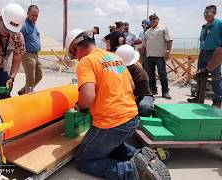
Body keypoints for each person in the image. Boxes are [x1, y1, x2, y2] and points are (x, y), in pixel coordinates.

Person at [65, 29, 170, 180]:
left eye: (74, 55)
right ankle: (142, 157)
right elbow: (132, 85)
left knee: (84, 160)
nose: (76, 58)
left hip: (111, 124)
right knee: (109, 148)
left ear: (77, 48)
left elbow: (87, 98)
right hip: (132, 119)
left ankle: (133, 171)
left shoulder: (86, 62)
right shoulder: (115, 58)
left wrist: (81, 107)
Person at [187, 5, 222, 108]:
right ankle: (199, 96)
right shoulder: (204, 26)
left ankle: (218, 99)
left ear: (214, 13)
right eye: (204, 13)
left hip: (214, 53)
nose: (205, 15)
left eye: (208, 13)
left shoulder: (219, 24)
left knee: (216, 76)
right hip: (203, 52)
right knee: (200, 75)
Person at [116, 45, 154, 117]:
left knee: (145, 108)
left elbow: (135, 96)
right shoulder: (115, 70)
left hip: (141, 95)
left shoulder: (141, 76)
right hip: (122, 95)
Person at [142, 13, 173, 99]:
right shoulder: (147, 31)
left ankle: (165, 91)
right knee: (150, 75)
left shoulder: (163, 28)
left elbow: (169, 41)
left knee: (162, 74)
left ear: (158, 20)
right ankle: (152, 91)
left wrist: (167, 52)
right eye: (151, 20)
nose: (152, 21)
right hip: (149, 57)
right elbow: (144, 45)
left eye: (154, 19)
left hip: (160, 56)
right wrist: (142, 57)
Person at [18, 5, 42, 95]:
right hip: (28, 55)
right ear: (27, 14)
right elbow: (19, 40)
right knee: (30, 78)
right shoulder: (24, 25)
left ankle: (24, 91)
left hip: (36, 55)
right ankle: (27, 96)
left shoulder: (34, 26)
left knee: (39, 76)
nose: (35, 18)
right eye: (33, 15)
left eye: (36, 16)